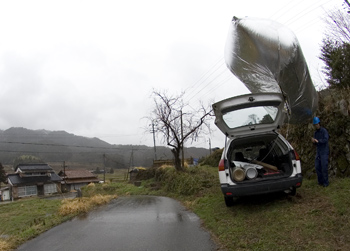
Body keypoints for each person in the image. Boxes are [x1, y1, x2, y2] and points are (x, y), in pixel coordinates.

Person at [311, 117, 330, 187]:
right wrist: (314, 141)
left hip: (324, 151)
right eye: (315, 124)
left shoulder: (324, 131)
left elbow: (325, 139)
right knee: (317, 166)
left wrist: (318, 141)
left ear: (319, 123)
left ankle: (326, 183)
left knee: (324, 167)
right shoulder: (315, 133)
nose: (316, 125)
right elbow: (315, 143)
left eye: (317, 124)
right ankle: (320, 182)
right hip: (318, 151)